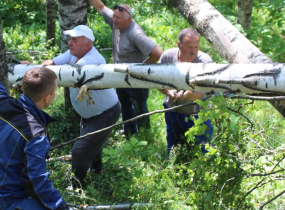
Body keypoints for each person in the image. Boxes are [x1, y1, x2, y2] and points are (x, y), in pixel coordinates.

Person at [0, 64, 86, 210]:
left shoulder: (3, 104)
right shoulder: (36, 134)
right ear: (48, 97)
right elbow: (36, 180)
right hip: (4, 200)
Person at [41, 25, 121, 187]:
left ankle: (77, 187)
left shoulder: (93, 60)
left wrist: (40, 73)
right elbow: (52, 62)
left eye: (74, 40)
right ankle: (97, 172)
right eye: (70, 39)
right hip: (90, 114)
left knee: (79, 150)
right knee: (92, 144)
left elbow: (67, 73)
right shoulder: (74, 54)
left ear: (87, 44)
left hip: (105, 113)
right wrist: (40, 67)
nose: (70, 43)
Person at [88, 0, 163, 136]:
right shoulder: (116, 23)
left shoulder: (135, 33)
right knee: (125, 105)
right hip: (120, 77)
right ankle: (130, 133)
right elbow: (100, 7)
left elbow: (157, 52)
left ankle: (145, 136)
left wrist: (141, 68)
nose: (114, 20)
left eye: (118, 18)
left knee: (139, 108)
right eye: (114, 16)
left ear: (129, 20)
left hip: (136, 79)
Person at [158, 28, 214, 156]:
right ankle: (172, 166)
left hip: (198, 112)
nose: (193, 51)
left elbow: (206, 91)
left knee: (203, 146)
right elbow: (158, 83)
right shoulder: (167, 56)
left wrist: (190, 95)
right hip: (172, 109)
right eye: (189, 47)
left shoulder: (205, 62)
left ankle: (204, 168)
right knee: (173, 144)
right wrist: (168, 91)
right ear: (179, 44)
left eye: (196, 47)